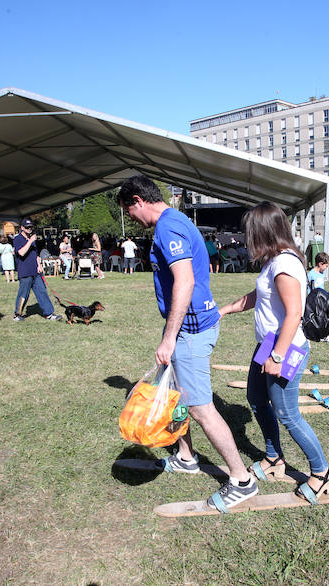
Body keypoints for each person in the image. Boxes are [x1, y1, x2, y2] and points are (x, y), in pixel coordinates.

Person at [117, 174, 257, 511]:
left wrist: (168, 338)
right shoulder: (175, 221)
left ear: (138, 200)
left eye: (129, 211)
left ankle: (241, 479)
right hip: (186, 329)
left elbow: (185, 280)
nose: (132, 219)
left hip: (190, 332)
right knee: (177, 397)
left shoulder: (167, 227)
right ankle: (186, 455)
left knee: (200, 408)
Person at [219, 202, 329, 504]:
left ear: (263, 232)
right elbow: (260, 295)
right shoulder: (274, 262)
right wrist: (227, 309)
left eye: (249, 233)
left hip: (286, 347)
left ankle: (322, 473)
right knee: (256, 399)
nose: (246, 239)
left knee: (287, 413)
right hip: (269, 345)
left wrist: (278, 356)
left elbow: (294, 313)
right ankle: (274, 460)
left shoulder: (285, 264)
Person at [12, 219, 62, 322]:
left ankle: (49, 313)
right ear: (22, 228)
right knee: (23, 294)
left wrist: (39, 265)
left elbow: (35, 254)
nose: (29, 229)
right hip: (25, 272)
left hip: (36, 271)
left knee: (42, 292)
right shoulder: (18, 239)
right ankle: (17, 314)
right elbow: (21, 252)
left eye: (31, 227)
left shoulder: (32, 239)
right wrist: (30, 241)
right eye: (27, 227)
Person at [306, 252, 329, 343]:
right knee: (316, 318)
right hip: (314, 301)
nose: (327, 268)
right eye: (326, 266)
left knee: (325, 317)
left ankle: (324, 335)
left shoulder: (321, 274)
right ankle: (312, 335)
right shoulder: (311, 274)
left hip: (322, 299)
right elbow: (308, 288)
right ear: (320, 264)